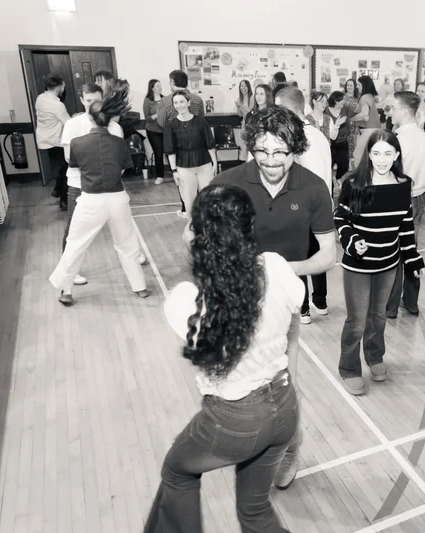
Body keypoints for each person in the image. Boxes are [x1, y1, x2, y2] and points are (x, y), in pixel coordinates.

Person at [144, 184, 303, 533]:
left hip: (235, 420)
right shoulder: (276, 268)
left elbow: (222, 297)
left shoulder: (185, 302)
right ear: (249, 228)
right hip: (285, 405)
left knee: (178, 470)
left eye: (190, 224)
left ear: (200, 236)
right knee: (255, 510)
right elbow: (291, 319)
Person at [213, 105, 336, 491]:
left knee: (283, 392)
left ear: (295, 148)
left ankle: (289, 452)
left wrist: (280, 269)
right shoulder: (227, 181)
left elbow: (328, 256)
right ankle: (252, 454)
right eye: (262, 151)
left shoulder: (314, 188)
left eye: (280, 152)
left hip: (284, 308)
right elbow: (195, 236)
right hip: (237, 303)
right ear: (251, 147)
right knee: (241, 390)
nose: (270, 161)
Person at [334, 130, 424, 395]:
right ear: (368, 155)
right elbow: (340, 219)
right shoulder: (355, 184)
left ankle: (375, 357)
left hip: (388, 264)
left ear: (396, 154)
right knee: (357, 321)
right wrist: (352, 240)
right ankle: (349, 368)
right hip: (358, 265)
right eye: (376, 154)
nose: (381, 160)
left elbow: (406, 225)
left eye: (387, 153)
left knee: (379, 316)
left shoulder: (403, 184)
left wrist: (412, 257)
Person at [49, 88, 149, 304]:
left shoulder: (78, 143)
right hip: (117, 198)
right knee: (127, 243)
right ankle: (140, 287)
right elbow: (123, 170)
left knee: (75, 243)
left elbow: (75, 166)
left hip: (90, 198)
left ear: (90, 117)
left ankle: (66, 290)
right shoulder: (119, 142)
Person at [274, 87, 333, 323]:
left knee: (300, 258)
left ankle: (305, 308)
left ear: (288, 108)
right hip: (323, 206)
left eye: (278, 108)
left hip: (299, 209)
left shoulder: (291, 137)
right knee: (319, 254)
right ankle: (321, 301)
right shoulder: (319, 135)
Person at [58, 83, 124, 287]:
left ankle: (131, 254)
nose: (92, 105)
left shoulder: (114, 127)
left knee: (121, 225)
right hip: (79, 185)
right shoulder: (73, 125)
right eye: (88, 101)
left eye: (96, 101)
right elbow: (70, 157)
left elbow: (118, 160)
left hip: (109, 186)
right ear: (81, 100)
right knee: (73, 230)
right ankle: (69, 272)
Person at [386, 91, 425, 318]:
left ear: (404, 111)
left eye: (393, 108)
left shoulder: (397, 140)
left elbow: (389, 175)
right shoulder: (424, 138)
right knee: (411, 250)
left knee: (394, 252)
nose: (390, 112)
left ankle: (391, 306)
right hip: (418, 198)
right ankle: (412, 302)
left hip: (398, 198)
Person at [164, 90, 218, 240]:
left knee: (209, 197)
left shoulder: (201, 121)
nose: (179, 105)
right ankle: (194, 230)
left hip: (204, 163)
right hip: (183, 167)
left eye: (182, 102)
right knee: (189, 200)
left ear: (188, 102)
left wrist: (215, 163)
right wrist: (174, 171)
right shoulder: (171, 125)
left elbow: (210, 143)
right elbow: (170, 151)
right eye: (176, 103)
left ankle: (211, 228)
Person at [34, 75, 70, 210]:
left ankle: (57, 190)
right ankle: (64, 200)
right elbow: (67, 123)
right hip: (56, 141)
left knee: (63, 167)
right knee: (68, 169)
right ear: (60, 87)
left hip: (45, 140)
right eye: (63, 87)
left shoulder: (40, 98)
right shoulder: (57, 105)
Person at [350, 75, 381, 169]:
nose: (357, 87)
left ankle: (360, 178)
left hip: (369, 131)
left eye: (359, 84)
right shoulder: (370, 96)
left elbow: (364, 116)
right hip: (373, 130)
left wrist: (349, 118)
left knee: (357, 155)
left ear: (365, 85)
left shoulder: (365, 97)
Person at [326, 91, 352, 182]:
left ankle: (338, 182)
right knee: (328, 167)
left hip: (343, 143)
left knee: (344, 167)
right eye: (342, 100)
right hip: (330, 144)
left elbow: (353, 118)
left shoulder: (346, 109)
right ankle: (330, 185)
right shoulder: (326, 111)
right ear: (336, 101)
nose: (344, 102)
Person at [143, 79, 165, 183]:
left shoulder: (165, 99)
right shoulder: (148, 100)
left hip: (165, 130)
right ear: (152, 88)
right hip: (153, 130)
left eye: (160, 86)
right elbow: (147, 118)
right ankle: (160, 176)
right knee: (158, 153)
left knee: (171, 151)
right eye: (157, 86)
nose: (160, 88)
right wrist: (157, 114)